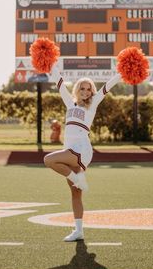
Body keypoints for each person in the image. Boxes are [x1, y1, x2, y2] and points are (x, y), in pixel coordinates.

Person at [44, 63, 121, 242]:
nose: (86, 91)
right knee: (75, 194)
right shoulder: (69, 104)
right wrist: (52, 65)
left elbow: (106, 88)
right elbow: (60, 84)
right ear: (77, 89)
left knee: (49, 160)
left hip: (81, 149)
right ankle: (79, 231)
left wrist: (121, 74)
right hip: (70, 150)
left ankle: (78, 178)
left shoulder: (92, 104)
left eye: (89, 89)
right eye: (82, 88)